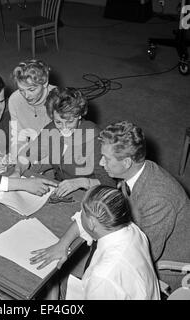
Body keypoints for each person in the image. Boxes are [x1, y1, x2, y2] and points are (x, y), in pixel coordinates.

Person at [30, 185, 160, 300]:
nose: (79, 215)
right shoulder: (130, 228)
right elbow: (86, 223)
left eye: (82, 212)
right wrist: (62, 244)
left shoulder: (101, 276)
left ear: (92, 223)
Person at [98, 120, 190, 267]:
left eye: (107, 159)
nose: (101, 163)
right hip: (137, 235)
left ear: (127, 163)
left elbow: (145, 254)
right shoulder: (136, 172)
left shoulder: (158, 200)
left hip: (165, 266)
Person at [12, 87, 115, 196]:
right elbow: (28, 154)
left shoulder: (96, 139)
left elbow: (110, 183)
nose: (64, 128)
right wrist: (17, 172)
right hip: (61, 186)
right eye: (58, 122)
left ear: (79, 115)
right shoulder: (51, 129)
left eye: (70, 121)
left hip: (91, 192)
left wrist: (82, 182)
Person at [8, 59, 56, 160]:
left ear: (45, 82)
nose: (26, 96)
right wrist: (14, 159)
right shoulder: (15, 100)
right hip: (31, 149)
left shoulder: (59, 100)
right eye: (21, 90)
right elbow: (17, 134)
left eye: (31, 89)